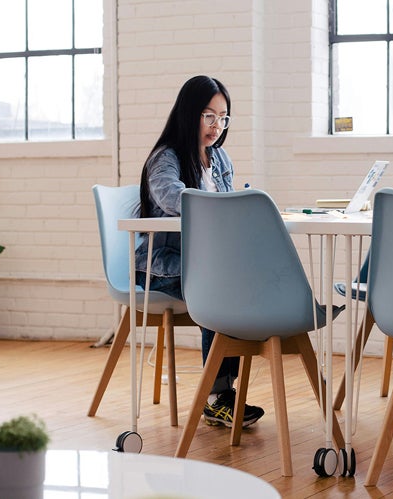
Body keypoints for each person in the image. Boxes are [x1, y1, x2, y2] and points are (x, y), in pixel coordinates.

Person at [134, 75, 264, 428]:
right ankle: (217, 396)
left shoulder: (220, 158)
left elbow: (228, 206)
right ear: (188, 114)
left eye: (223, 118)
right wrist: (223, 207)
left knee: (243, 280)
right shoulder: (166, 158)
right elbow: (170, 197)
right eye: (208, 116)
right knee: (219, 288)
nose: (216, 126)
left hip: (208, 264)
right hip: (162, 266)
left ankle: (223, 391)